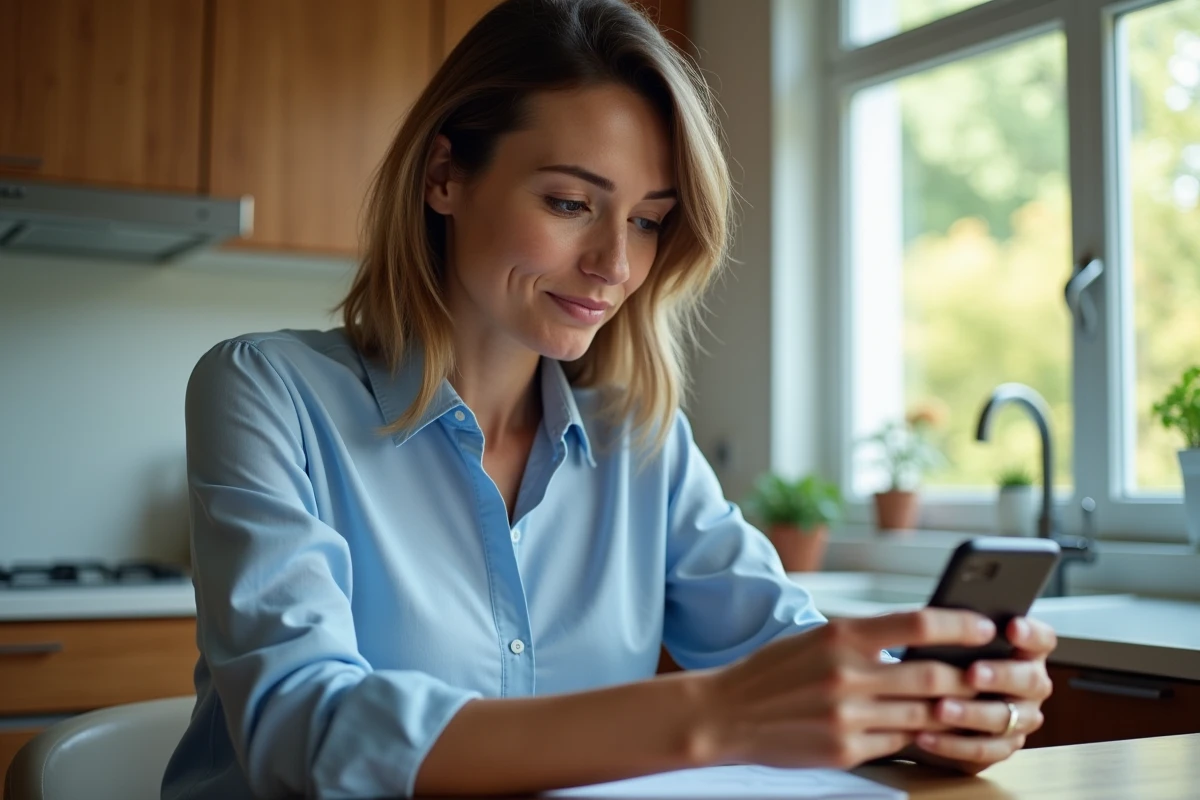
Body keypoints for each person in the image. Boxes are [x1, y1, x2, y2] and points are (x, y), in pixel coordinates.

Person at [162, 1, 1056, 797]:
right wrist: (710, 717)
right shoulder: (266, 390)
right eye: (568, 202)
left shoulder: (640, 441)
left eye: (648, 219)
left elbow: (780, 646)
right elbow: (301, 731)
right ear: (444, 176)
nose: (616, 266)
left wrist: (930, 704)